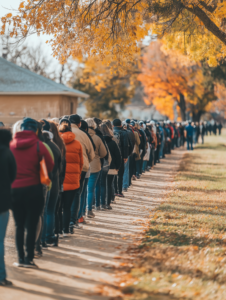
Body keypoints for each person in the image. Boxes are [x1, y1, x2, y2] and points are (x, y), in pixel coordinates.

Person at [10, 118, 54, 268]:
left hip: (15, 190)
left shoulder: (11, 146)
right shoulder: (39, 146)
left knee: (19, 225)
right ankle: (29, 258)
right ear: (36, 130)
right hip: (33, 189)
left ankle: (20, 258)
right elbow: (50, 165)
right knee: (31, 224)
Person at [69, 114, 95, 229]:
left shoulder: (61, 133)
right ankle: (73, 220)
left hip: (64, 168)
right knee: (77, 193)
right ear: (79, 123)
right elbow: (91, 153)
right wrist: (86, 161)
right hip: (82, 167)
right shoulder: (84, 134)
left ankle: (63, 221)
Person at [59, 121, 83, 235]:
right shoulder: (77, 144)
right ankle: (66, 230)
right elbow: (81, 163)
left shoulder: (57, 143)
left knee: (58, 208)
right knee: (67, 207)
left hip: (59, 180)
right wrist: (77, 176)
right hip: (73, 180)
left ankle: (57, 230)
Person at [41, 120, 62, 246]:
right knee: (50, 211)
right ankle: (49, 236)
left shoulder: (40, 147)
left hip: (44, 182)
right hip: (54, 181)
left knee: (43, 212)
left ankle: (42, 238)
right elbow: (60, 167)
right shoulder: (56, 146)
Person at [0, 128, 17, 286]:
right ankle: (1, 276)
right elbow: (13, 175)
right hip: (2, 202)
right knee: (0, 240)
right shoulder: (7, 153)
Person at [86, 118, 107, 217]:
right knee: (91, 188)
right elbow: (104, 153)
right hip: (95, 166)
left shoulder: (80, 136)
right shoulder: (97, 138)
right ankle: (90, 209)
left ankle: (80, 212)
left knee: (82, 190)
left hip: (82, 165)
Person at [99, 123, 122, 209]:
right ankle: (107, 203)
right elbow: (118, 155)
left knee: (101, 185)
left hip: (101, 166)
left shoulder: (99, 141)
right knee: (109, 184)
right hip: (112, 167)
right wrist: (118, 166)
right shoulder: (112, 142)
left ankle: (100, 203)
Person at [113, 119, 130, 196]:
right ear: (121, 125)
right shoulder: (124, 132)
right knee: (120, 175)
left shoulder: (110, 131)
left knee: (113, 174)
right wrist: (125, 156)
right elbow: (126, 145)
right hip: (121, 156)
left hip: (112, 156)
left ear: (113, 125)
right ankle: (119, 191)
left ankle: (114, 191)